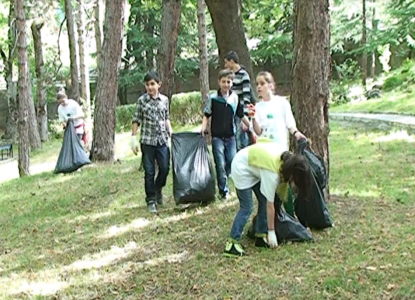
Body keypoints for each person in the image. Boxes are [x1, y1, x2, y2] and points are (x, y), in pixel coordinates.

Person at [223, 140, 311, 257]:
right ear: (292, 174)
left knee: (263, 200)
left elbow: (283, 198)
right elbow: (271, 206)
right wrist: (271, 232)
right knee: (247, 207)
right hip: (241, 167)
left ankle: (260, 235)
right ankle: (232, 243)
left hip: (253, 167)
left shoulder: (287, 160)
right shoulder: (273, 174)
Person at [201, 69, 249, 200]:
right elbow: (206, 115)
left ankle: (225, 177)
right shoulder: (213, 98)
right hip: (217, 138)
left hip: (231, 137)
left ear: (232, 83)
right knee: (220, 163)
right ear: (219, 82)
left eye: (228, 82)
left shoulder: (235, 98)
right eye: (223, 81)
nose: (226, 84)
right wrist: (203, 129)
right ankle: (223, 191)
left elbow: (240, 114)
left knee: (232, 161)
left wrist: (250, 125)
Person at [131, 71, 173, 214]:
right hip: (147, 142)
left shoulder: (164, 100)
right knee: (149, 171)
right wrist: (133, 139)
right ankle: (151, 199)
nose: (150, 87)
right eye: (147, 84)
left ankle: (158, 188)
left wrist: (170, 131)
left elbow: (166, 117)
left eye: (152, 84)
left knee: (165, 168)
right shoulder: (142, 101)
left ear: (159, 85)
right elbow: (136, 119)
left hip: (162, 140)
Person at [251, 71, 306, 151]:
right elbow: (258, 132)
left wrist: (296, 133)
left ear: (271, 85)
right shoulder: (257, 107)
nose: (259, 87)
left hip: (281, 147)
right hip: (264, 149)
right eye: (257, 84)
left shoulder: (282, 102)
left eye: (262, 84)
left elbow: (289, 123)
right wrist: (253, 117)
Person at [224, 51, 253, 151]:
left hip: (241, 113)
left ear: (232, 62)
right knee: (235, 139)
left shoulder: (244, 75)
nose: (225, 65)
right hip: (232, 112)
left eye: (226, 62)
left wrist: (245, 118)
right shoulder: (230, 76)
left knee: (242, 140)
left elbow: (246, 97)